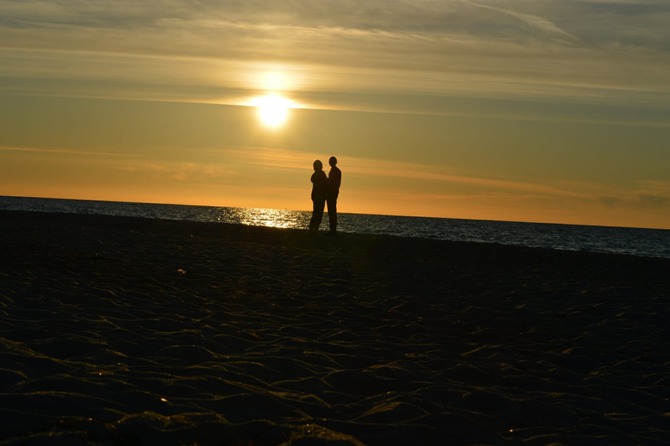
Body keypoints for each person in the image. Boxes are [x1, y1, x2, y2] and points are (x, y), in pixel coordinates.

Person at [309, 160, 329, 232]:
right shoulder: (320, 174)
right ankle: (314, 228)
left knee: (316, 212)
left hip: (317, 196)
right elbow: (326, 184)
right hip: (319, 196)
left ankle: (313, 227)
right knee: (318, 213)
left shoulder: (316, 174)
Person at [327, 156, 342, 234]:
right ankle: (332, 229)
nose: (330, 163)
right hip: (331, 193)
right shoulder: (333, 170)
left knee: (332, 211)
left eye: (332, 161)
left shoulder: (336, 171)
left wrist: (333, 191)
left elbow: (336, 184)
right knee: (331, 211)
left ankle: (333, 230)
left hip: (332, 193)